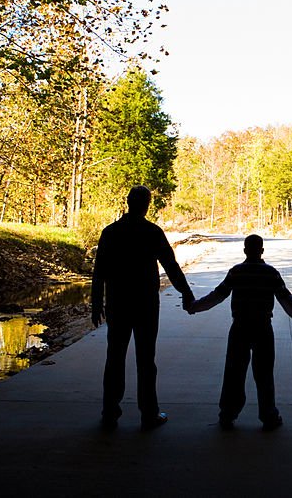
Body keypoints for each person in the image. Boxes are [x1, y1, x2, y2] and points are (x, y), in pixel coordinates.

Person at [91, 185, 195, 431]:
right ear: (147, 204)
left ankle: (110, 413)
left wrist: (96, 303)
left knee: (114, 358)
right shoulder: (152, 232)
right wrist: (186, 292)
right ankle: (149, 413)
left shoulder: (110, 232)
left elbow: (99, 272)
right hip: (146, 305)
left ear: (127, 202)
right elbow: (171, 265)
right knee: (146, 360)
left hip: (117, 304)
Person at [187, 234, 292, 431]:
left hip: (240, 328)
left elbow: (217, 295)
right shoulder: (271, 274)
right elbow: (286, 299)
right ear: (262, 250)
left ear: (244, 250)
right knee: (264, 373)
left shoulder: (236, 272)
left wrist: (195, 307)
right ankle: (269, 416)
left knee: (234, 372)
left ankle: (227, 414)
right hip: (263, 328)